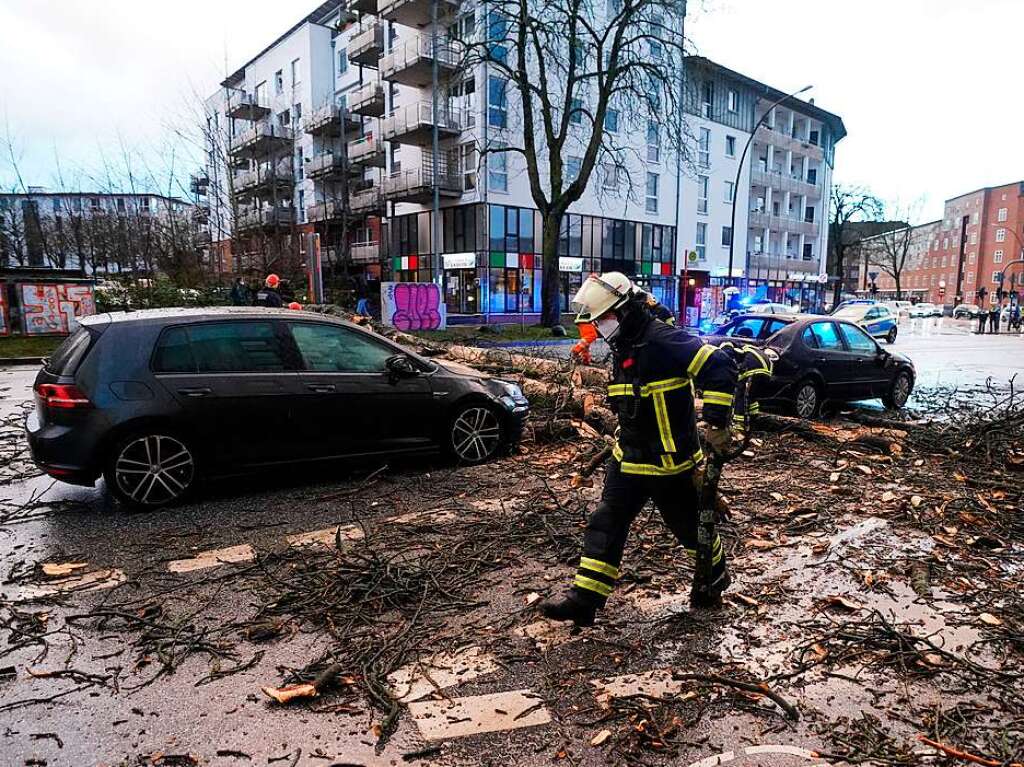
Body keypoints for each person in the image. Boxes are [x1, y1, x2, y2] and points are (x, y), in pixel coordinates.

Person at [542, 272, 739, 627]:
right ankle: (584, 600)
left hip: (670, 465)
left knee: (691, 530)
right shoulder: (625, 346)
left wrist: (716, 423)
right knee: (606, 521)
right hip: (629, 459)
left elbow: (720, 365)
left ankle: (714, 581)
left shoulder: (662, 339)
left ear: (624, 310)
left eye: (603, 319)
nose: (600, 327)